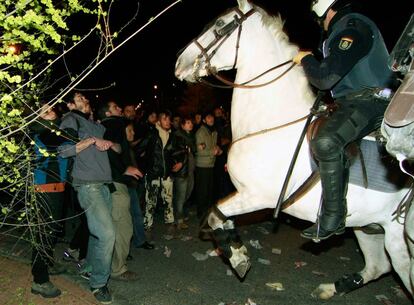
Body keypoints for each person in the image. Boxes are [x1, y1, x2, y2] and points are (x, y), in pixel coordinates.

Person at [293, 0, 395, 241]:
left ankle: (333, 216)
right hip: (351, 101)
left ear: (327, 11)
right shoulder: (345, 28)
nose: (323, 25)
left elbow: (325, 78)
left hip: (370, 101)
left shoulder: (352, 27)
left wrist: (305, 59)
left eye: (321, 20)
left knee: (326, 141)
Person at [58, 92, 116, 304]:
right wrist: (92, 140)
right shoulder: (70, 120)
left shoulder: (93, 123)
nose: (86, 100)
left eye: (85, 97)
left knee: (96, 234)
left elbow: (113, 146)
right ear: (70, 104)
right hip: (88, 185)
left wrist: (100, 136)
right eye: (80, 98)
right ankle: (99, 283)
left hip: (103, 185)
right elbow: (64, 151)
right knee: (108, 234)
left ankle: (90, 269)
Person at [98, 100, 144, 281]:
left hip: (112, 182)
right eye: (116, 107)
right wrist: (124, 169)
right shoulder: (114, 123)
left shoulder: (105, 126)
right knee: (123, 227)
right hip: (115, 183)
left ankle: (104, 265)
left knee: (113, 226)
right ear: (108, 113)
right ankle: (117, 269)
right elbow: (110, 148)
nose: (120, 109)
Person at [30, 103, 71, 298]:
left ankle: (47, 264)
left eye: (51, 108)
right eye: (44, 111)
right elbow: (66, 142)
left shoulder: (56, 131)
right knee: (43, 235)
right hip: (44, 190)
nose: (51, 111)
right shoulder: (40, 132)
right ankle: (39, 280)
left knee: (52, 232)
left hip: (57, 188)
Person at [194, 112, 222, 219]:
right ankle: (201, 213)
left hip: (211, 165)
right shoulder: (201, 132)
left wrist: (218, 150)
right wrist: (212, 152)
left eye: (212, 117)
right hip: (202, 166)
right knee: (203, 191)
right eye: (209, 117)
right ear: (204, 120)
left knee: (210, 191)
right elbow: (198, 151)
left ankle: (208, 212)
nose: (211, 119)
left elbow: (213, 146)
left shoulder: (213, 131)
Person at [173, 116, 196, 229]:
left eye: (191, 122)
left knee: (188, 192)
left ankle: (179, 213)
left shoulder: (190, 136)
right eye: (187, 122)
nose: (190, 124)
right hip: (182, 171)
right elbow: (176, 152)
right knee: (181, 196)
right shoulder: (178, 136)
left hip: (190, 170)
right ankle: (179, 219)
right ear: (182, 125)